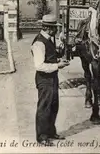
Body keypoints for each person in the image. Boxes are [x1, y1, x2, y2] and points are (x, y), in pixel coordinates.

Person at [31, 14, 70, 146]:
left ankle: (50, 132)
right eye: (54, 28)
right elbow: (39, 65)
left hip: (52, 77)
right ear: (48, 28)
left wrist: (58, 60)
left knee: (54, 105)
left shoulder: (49, 39)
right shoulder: (39, 42)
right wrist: (57, 65)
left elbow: (49, 57)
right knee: (44, 107)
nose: (56, 31)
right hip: (44, 79)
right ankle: (42, 136)